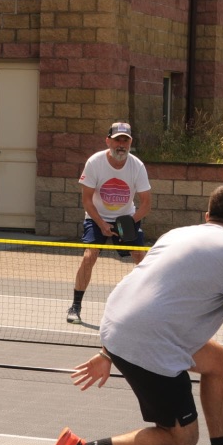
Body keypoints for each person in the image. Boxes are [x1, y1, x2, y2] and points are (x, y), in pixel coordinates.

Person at [37, 184, 223, 445]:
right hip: (150, 340)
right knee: (181, 437)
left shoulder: (176, 235)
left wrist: (108, 351)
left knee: (216, 360)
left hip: (117, 323)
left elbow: (143, 290)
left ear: (207, 216)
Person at [66, 122, 152, 324]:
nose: (121, 145)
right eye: (117, 140)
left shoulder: (137, 166)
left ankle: (147, 307)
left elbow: (146, 203)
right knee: (89, 256)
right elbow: (87, 199)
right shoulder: (95, 162)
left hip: (127, 218)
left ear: (130, 143)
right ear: (108, 141)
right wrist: (101, 223)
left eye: (125, 140)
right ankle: (75, 306)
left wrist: (128, 223)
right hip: (96, 217)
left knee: (143, 259)